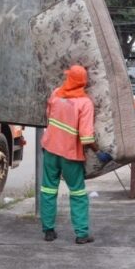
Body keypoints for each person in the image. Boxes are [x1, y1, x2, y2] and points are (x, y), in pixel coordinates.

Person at [40, 65, 95, 244]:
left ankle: (48, 231)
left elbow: (48, 116)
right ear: (84, 83)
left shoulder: (56, 94)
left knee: (48, 190)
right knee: (78, 193)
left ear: (68, 78)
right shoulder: (85, 103)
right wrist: (99, 152)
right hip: (70, 154)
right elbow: (86, 137)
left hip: (50, 149)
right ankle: (81, 234)